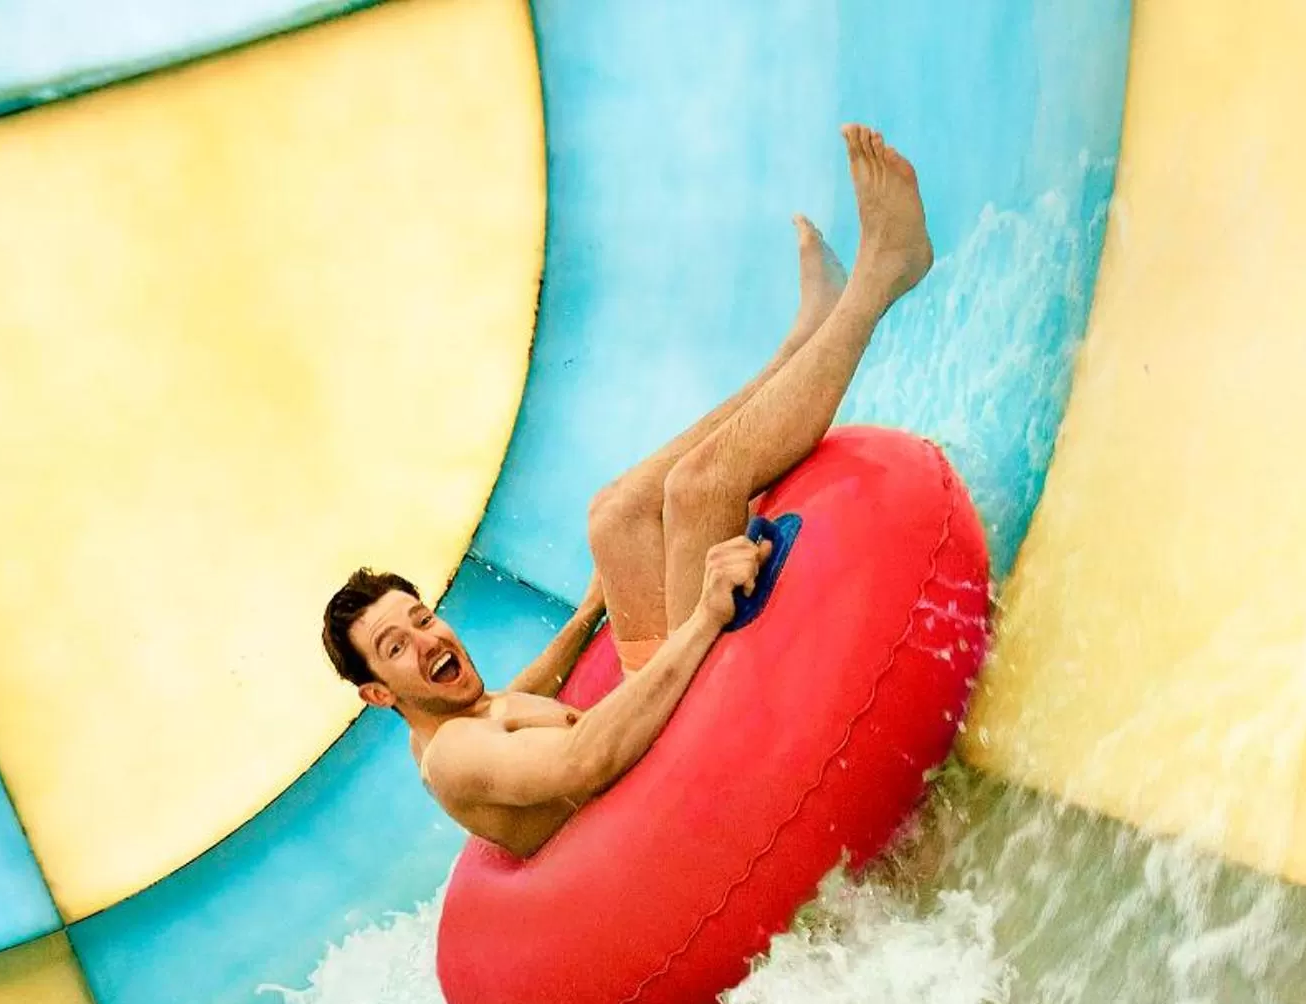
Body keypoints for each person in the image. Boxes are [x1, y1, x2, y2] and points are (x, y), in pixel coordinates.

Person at [318, 125, 933, 859]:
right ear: (379, 694)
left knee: (613, 515)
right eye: (396, 646)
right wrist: (705, 614)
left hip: (661, 747)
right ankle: (883, 275)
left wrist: (586, 614)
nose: (428, 639)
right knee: (701, 488)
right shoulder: (454, 760)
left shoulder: (460, 717)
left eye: (420, 617)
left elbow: (514, 698)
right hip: (680, 788)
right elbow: (585, 761)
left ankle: (799, 343)